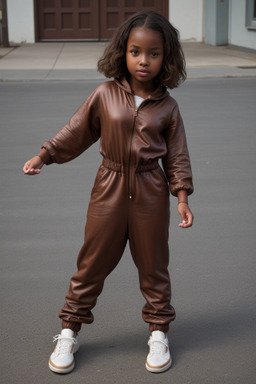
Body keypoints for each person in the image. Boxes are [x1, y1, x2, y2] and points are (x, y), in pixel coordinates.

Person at [23, 11, 194, 374]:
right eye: (135, 51)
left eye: (153, 53)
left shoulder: (168, 107)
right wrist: (45, 154)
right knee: (91, 264)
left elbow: (177, 156)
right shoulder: (104, 94)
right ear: (123, 52)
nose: (143, 60)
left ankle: (159, 332)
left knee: (154, 267)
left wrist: (181, 197)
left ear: (167, 57)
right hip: (109, 187)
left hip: (151, 191)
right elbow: (75, 131)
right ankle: (69, 330)